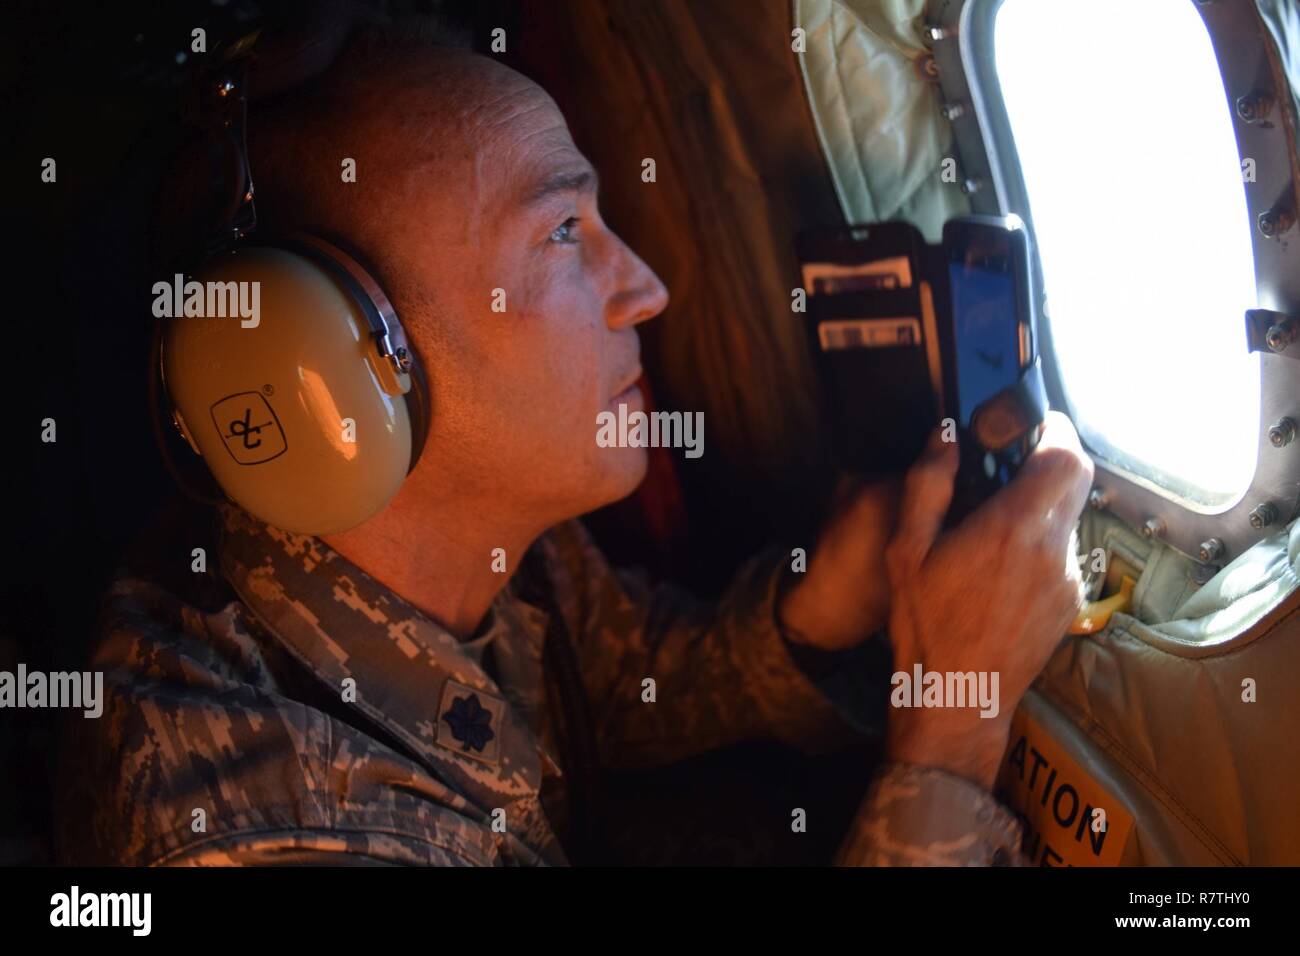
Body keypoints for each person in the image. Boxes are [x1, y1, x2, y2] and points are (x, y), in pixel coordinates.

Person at [57, 21, 1092, 867]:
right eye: (562, 235)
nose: (647, 286)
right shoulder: (264, 830)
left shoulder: (497, 551)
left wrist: (809, 617)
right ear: (325, 369)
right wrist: (954, 731)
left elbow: (618, 684)